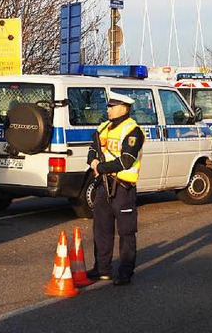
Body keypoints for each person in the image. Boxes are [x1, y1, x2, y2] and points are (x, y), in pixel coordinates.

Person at [87, 91, 145, 286]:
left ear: (124, 108)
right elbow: (93, 148)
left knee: (126, 232)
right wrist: (93, 160)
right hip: (104, 186)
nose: (108, 109)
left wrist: (100, 167)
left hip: (123, 188)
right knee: (101, 229)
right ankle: (102, 269)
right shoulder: (103, 127)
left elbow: (126, 160)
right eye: (108, 106)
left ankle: (125, 272)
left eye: (112, 106)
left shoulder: (133, 131)